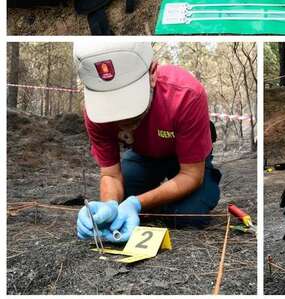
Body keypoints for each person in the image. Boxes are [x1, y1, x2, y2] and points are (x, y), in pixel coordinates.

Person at [74, 43, 221, 244]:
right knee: (120, 200)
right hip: (144, 155)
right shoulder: (94, 113)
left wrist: (137, 204)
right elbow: (110, 174)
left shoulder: (187, 94)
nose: (122, 120)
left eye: (128, 105)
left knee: (189, 215)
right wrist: (109, 206)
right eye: (112, 108)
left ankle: (199, 186)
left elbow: (191, 174)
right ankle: (154, 201)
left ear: (152, 74)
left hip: (187, 157)